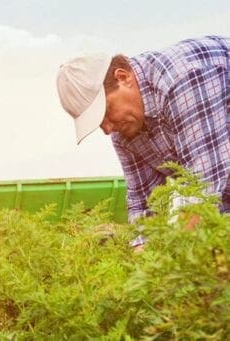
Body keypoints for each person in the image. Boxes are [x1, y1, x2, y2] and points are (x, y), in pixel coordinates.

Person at [55, 36, 229, 226]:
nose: (107, 129)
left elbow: (202, 188)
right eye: (98, 124)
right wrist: (141, 250)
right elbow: (143, 208)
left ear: (123, 78)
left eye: (105, 112)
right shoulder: (124, 133)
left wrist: (174, 252)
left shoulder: (181, 78)